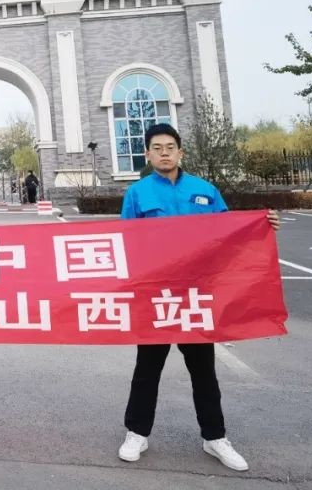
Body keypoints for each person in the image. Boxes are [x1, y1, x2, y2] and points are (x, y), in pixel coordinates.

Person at [116, 124, 280, 471]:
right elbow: (124, 243)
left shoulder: (204, 190)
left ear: (180, 152)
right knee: (147, 369)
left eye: (170, 147)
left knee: (203, 370)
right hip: (157, 297)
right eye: (157, 147)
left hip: (195, 298)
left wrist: (263, 225)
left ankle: (215, 437)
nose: (164, 152)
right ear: (147, 154)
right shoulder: (138, 194)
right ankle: (137, 432)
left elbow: (229, 234)